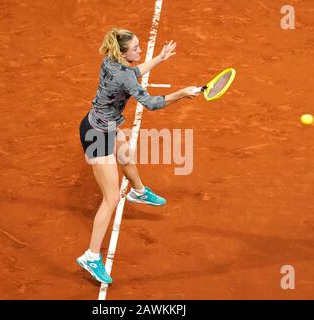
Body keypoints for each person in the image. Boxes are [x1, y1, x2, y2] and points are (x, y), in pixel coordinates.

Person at [77, 28, 200, 284]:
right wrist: (181, 94)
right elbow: (152, 104)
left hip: (103, 125)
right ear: (123, 52)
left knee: (126, 155)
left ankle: (138, 191)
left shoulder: (111, 61)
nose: (140, 50)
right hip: (97, 135)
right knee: (110, 198)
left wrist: (160, 58)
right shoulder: (123, 75)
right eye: (135, 48)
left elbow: (132, 73)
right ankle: (90, 256)